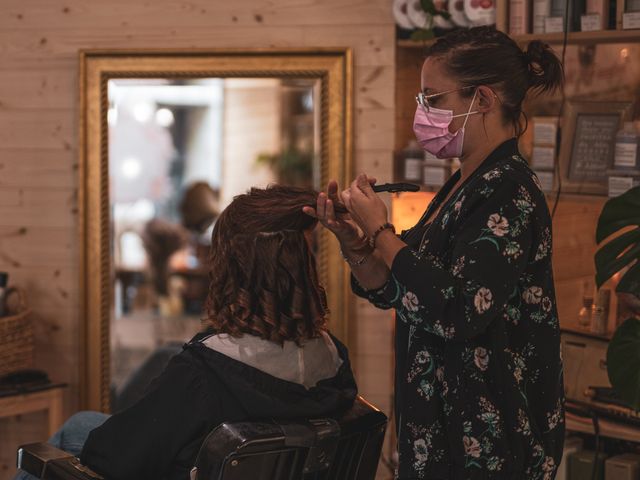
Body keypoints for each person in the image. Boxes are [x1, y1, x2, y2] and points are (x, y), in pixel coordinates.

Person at [305, 26, 565, 479]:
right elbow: (401, 294)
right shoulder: (462, 184)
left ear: (482, 99)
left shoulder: (508, 189)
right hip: (438, 428)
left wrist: (382, 229)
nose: (422, 114)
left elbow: (458, 310)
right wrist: (357, 242)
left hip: (488, 440)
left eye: (433, 100)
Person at [15, 185, 357, 480]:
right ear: (302, 266)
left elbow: (112, 460)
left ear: (232, 269)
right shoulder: (333, 361)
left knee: (76, 429)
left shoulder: (204, 374)